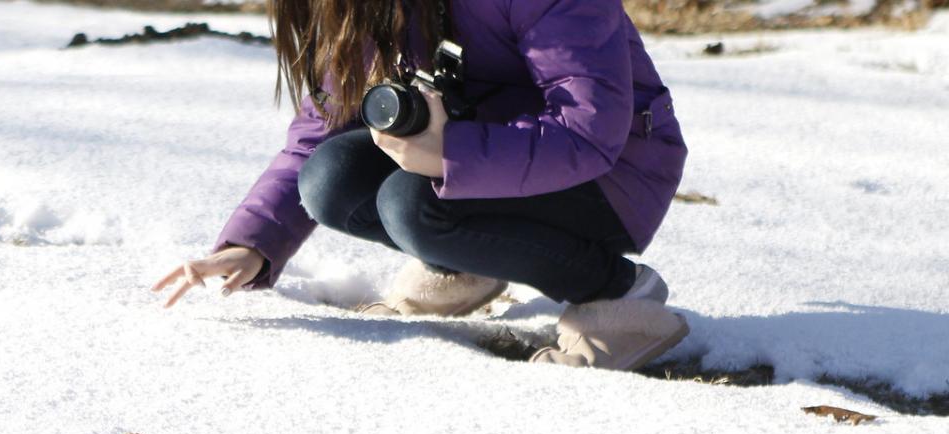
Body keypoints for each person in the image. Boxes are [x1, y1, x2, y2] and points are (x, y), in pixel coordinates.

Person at [152, 0, 691, 371]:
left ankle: (619, 296)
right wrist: (253, 243)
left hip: (617, 174)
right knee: (330, 179)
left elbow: (590, 132)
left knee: (412, 204)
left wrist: (449, 154)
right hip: (488, 161)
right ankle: (469, 259)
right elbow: (319, 133)